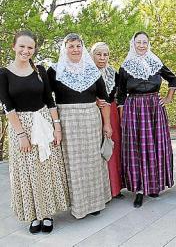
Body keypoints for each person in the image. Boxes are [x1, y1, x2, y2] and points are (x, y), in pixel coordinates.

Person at [0, 30, 69, 233]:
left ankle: (47, 214)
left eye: (30, 47)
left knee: (46, 169)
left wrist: (57, 127)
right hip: (20, 127)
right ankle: (33, 214)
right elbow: (7, 106)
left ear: (34, 49)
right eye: (22, 46)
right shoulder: (3, 73)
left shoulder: (40, 70)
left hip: (43, 124)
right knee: (27, 172)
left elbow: (49, 99)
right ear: (14, 47)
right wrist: (21, 135)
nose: (25, 50)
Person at [47, 33, 112, 219]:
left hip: (91, 119)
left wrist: (107, 124)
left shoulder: (92, 71)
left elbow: (104, 99)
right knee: (73, 164)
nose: (75, 49)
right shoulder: (55, 71)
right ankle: (77, 204)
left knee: (93, 161)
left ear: (82, 48)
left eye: (78, 46)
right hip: (67, 120)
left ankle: (95, 202)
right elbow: (46, 99)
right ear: (64, 48)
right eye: (71, 46)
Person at [117, 31, 176, 208]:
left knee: (155, 147)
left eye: (144, 42)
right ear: (133, 44)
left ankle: (153, 185)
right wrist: (123, 117)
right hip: (134, 108)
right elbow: (121, 94)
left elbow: (173, 78)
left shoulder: (156, 63)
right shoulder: (125, 66)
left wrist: (168, 98)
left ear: (148, 44)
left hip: (154, 107)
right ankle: (140, 189)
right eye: (138, 42)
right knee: (138, 149)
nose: (142, 45)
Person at [91, 42, 123, 198]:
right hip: (93, 114)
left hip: (112, 114)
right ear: (92, 55)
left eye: (106, 54)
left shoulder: (113, 73)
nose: (102, 58)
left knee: (112, 148)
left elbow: (120, 95)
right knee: (97, 150)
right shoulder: (86, 72)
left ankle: (115, 189)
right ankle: (102, 190)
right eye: (99, 54)